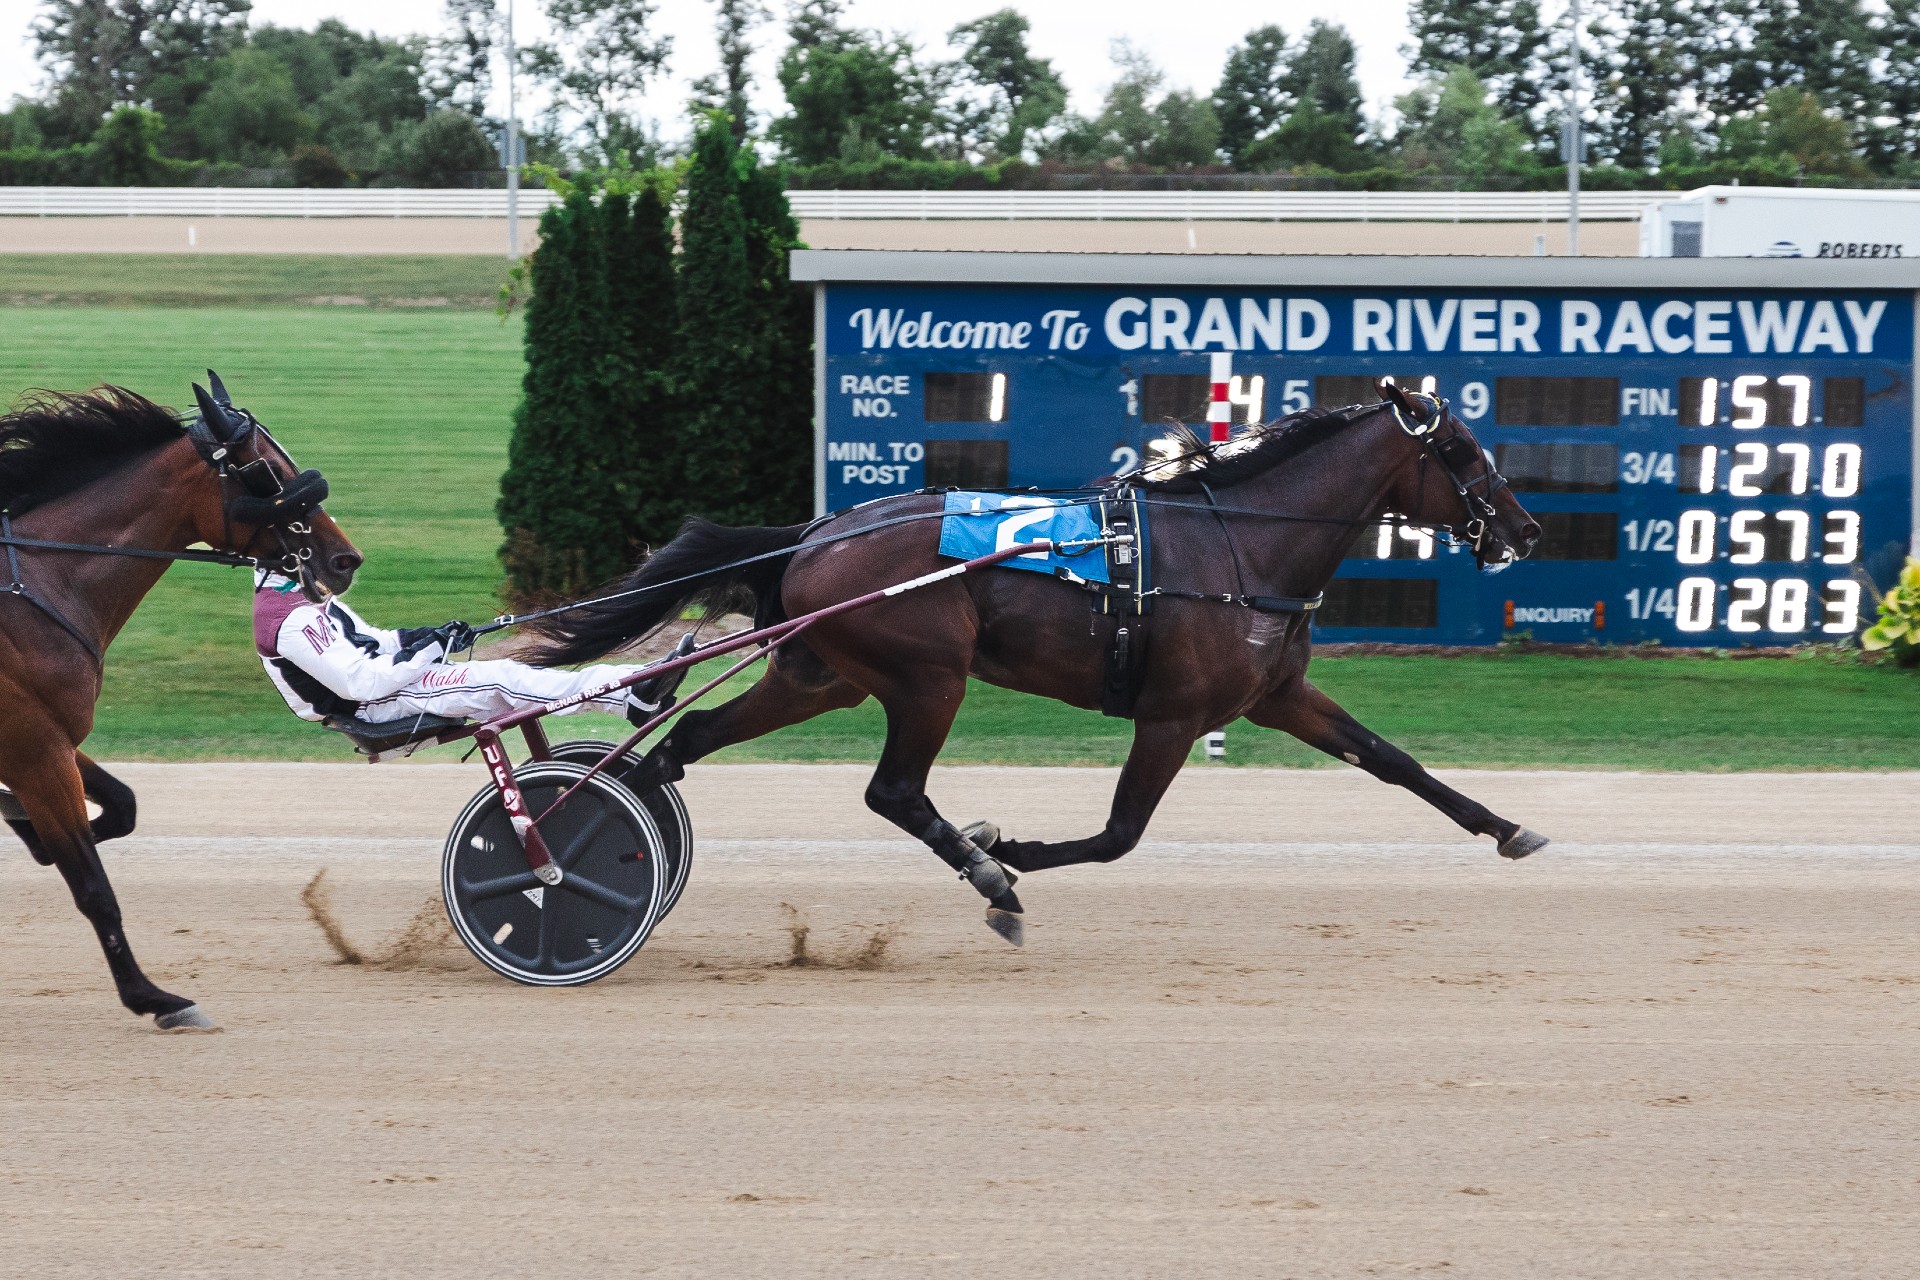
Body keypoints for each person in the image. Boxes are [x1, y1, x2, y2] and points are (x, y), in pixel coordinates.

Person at [252, 570, 680, 729]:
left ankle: (631, 690)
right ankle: (630, 695)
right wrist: (430, 649)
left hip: (394, 687)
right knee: (500, 678)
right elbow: (360, 683)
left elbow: (376, 642)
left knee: (504, 674)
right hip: (377, 706)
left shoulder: (304, 597)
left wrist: (434, 635)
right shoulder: (289, 621)